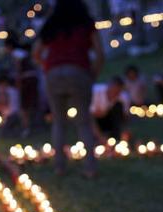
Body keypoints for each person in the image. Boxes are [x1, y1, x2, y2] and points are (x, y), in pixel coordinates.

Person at [33, 0, 104, 178]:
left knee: (58, 121)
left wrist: (48, 67)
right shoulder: (86, 24)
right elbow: (100, 53)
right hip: (79, 71)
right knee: (83, 122)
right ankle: (90, 168)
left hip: (54, 73)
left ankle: (59, 167)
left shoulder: (51, 24)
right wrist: (92, 74)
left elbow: (36, 53)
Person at [90, 76, 130, 141]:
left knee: (118, 106)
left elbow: (125, 116)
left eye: (117, 92)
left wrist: (125, 131)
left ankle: (115, 138)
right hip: (95, 119)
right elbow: (90, 116)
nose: (114, 94)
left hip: (110, 118)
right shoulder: (95, 91)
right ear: (108, 86)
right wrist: (99, 135)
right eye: (113, 90)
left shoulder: (123, 97)